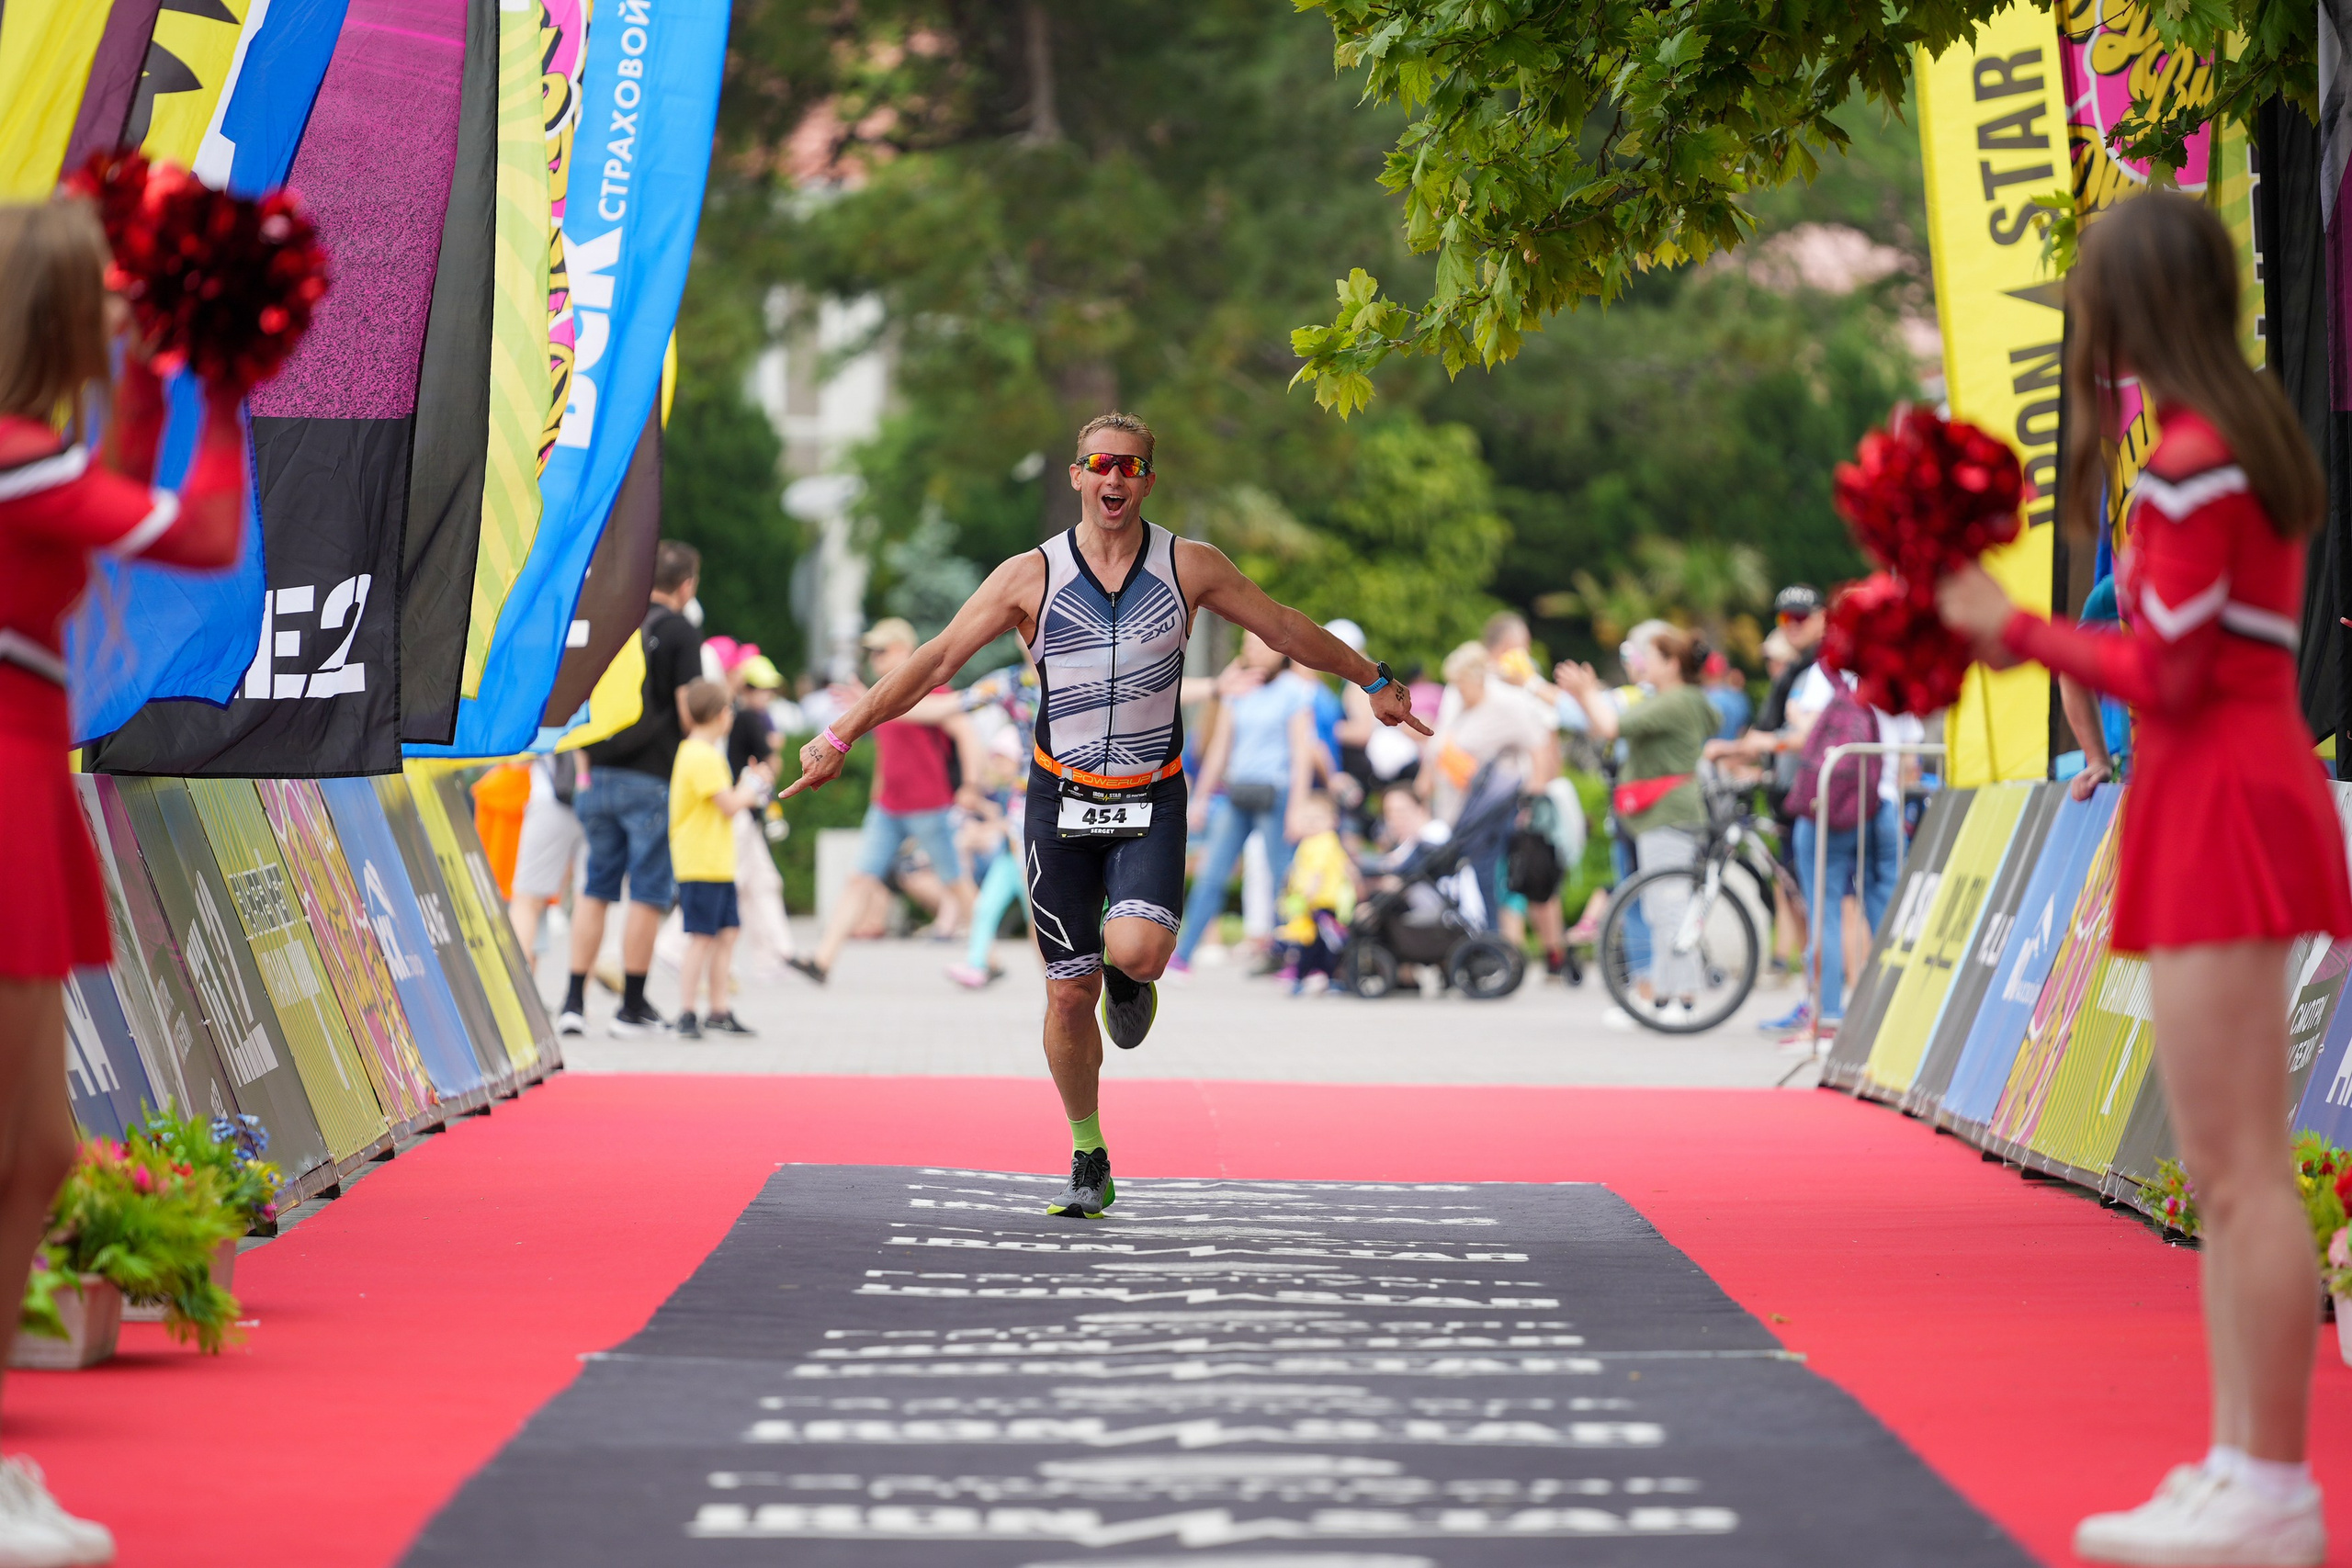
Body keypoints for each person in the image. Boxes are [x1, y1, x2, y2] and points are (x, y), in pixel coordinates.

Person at [1937, 191, 2349, 1568]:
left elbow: (2163, 669)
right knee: (2231, 1171)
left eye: (2089, 302)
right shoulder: (2233, 443)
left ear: (2129, 307)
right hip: (2235, 791)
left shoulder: (2190, 463)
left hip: (2219, 801)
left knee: (2237, 1172)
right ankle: (2244, 1468)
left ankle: (2268, 1481)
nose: (2079, 331)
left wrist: (2016, 629)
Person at [781, 412, 1425, 1216]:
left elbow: (1285, 627)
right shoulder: (1030, 575)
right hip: (1060, 798)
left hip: (1152, 795)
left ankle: (1132, 974)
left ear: (1148, 480)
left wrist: (1373, 680)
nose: (1114, 478)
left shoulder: (1190, 565)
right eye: (1099, 465)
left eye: (1130, 466)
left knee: (1138, 952)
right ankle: (1089, 1151)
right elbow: (938, 658)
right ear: (1078, 476)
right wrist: (840, 733)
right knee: (1065, 992)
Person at [1, 197, 253, 1564]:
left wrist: (160, 382)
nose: (121, 306)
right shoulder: (13, 459)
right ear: (50, 307)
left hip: (25, 768)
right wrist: (221, 380)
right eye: (104, 291)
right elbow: (199, 533)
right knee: (11, 1146)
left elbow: (116, 493)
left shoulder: (30, 454)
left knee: (40, 1151)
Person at [561, 539, 705, 1038]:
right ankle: (632, 1005)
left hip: (597, 773)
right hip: (650, 779)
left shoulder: (615, 624)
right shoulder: (680, 631)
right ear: (686, 585)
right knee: (647, 891)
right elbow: (689, 711)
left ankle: (573, 1002)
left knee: (595, 888)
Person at [790, 618, 985, 981]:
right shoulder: (882, 695)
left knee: (955, 881)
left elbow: (965, 731)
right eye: (871, 652)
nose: (874, 658)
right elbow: (888, 752)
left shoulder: (929, 689)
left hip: (928, 804)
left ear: (903, 650)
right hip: (889, 807)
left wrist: (971, 785)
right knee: (859, 879)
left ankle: (989, 955)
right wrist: (877, 793)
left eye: (880, 651)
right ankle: (822, 960)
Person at [1559, 625, 1715, 1027]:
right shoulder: (1680, 699)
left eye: (1652, 657)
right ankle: (1665, 997)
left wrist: (1586, 693)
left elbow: (1612, 726)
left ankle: (1685, 999)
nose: (1643, 664)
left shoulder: (1677, 700)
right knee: (1661, 907)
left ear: (1673, 663)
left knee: (1670, 907)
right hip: (1662, 814)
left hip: (1669, 814)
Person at [1171, 634, 1327, 976]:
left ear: (1279, 651)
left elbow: (1302, 755)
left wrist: (1297, 808)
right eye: (1246, 645)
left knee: (1283, 878)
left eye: (1258, 645)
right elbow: (1220, 748)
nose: (1250, 650)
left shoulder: (1294, 691)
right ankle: (1183, 954)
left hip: (1277, 794)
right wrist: (1200, 798)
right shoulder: (1239, 687)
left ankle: (1291, 957)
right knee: (1212, 873)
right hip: (1237, 793)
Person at [668, 680, 771, 1040]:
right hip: (701, 862)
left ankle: (718, 1008)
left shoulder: (700, 752)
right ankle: (687, 1011)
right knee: (702, 937)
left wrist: (747, 786)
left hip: (715, 861)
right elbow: (728, 804)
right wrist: (753, 787)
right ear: (720, 714)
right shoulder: (702, 755)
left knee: (727, 933)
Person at [1275, 791, 1358, 994]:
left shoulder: (1323, 841)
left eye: (1317, 818)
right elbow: (1345, 865)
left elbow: (1318, 871)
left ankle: (1307, 975)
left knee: (1316, 942)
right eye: (1307, 818)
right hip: (1316, 903)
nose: (1312, 823)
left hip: (1319, 902)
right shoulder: (1317, 842)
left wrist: (1309, 892)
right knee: (1317, 942)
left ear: (1332, 821)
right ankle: (1317, 975)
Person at [508, 751, 585, 960]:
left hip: (549, 800)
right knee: (589, 900)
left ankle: (516, 977)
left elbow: (519, 759)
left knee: (527, 900)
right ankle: (580, 982)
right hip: (597, 800)